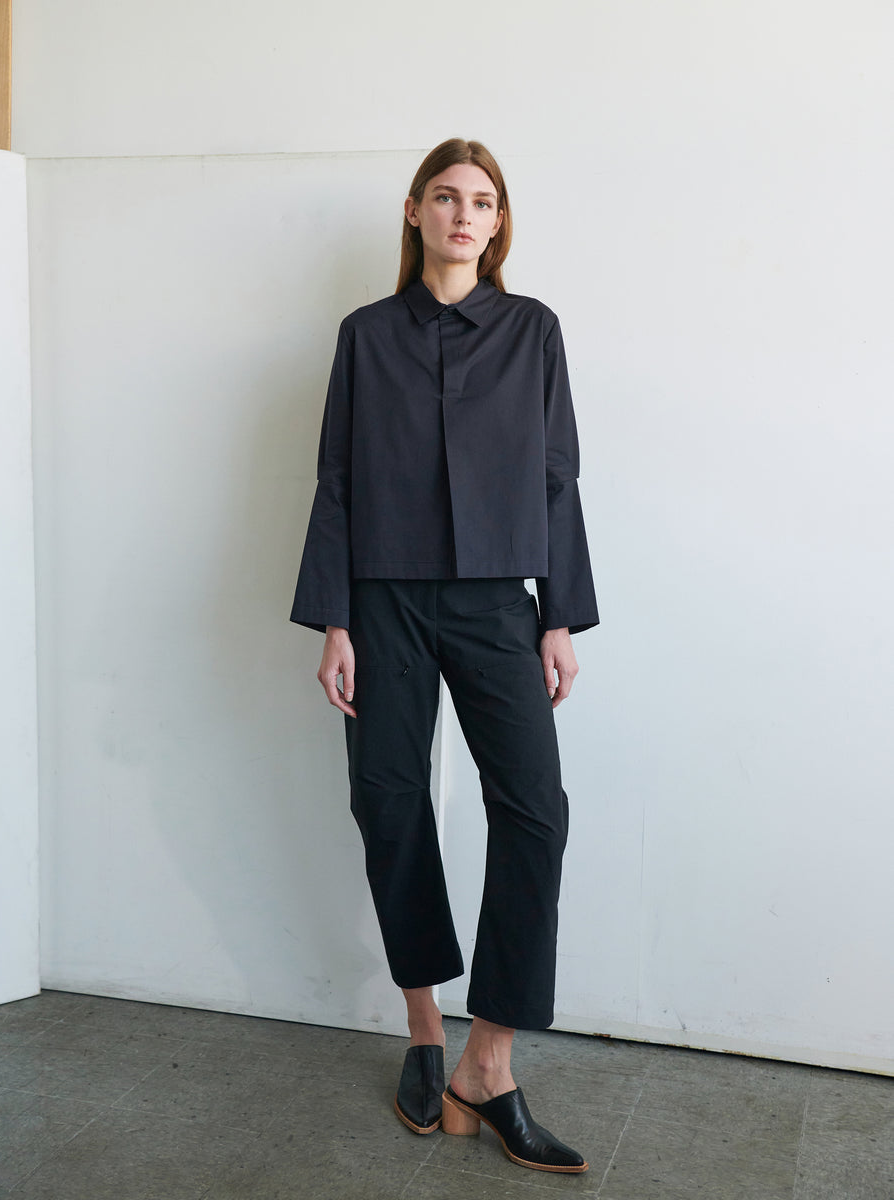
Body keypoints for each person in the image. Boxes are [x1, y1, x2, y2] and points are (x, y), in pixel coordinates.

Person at [290, 138, 598, 1175]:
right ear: (415, 213)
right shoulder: (365, 337)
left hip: (495, 606)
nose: (466, 215)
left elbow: (558, 476)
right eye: (447, 197)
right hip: (381, 602)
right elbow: (336, 478)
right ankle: (424, 1030)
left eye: (485, 201)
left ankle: (490, 1063)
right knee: (386, 799)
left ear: (499, 223)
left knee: (534, 809)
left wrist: (557, 616)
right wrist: (334, 619)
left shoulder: (532, 332)